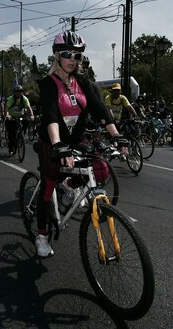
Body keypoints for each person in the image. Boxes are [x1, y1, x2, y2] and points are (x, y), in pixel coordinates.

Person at [35, 30, 127, 258]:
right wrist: (57, 144)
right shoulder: (48, 83)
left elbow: (100, 110)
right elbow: (51, 114)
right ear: (57, 55)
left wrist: (117, 136)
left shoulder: (83, 82)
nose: (73, 60)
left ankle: (69, 184)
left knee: (101, 168)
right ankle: (42, 235)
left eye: (78, 56)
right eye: (67, 54)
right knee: (48, 184)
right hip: (52, 140)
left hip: (76, 138)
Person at [4, 84, 34, 155]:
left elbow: (28, 107)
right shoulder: (11, 99)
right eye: (17, 91)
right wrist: (7, 115)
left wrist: (32, 115)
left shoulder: (24, 99)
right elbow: (6, 108)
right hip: (12, 116)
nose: (18, 93)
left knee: (27, 121)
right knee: (12, 133)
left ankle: (21, 133)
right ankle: (11, 147)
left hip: (21, 115)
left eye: (20, 91)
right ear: (14, 92)